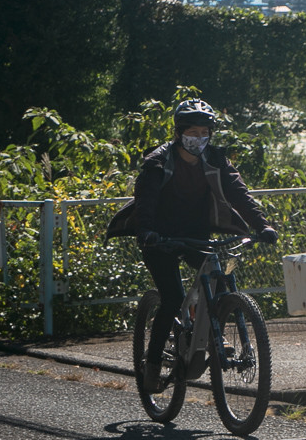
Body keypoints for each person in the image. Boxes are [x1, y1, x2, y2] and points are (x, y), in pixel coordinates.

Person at [107, 98, 277, 392]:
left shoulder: (216, 159)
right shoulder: (158, 161)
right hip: (159, 236)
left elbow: (240, 194)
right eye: (192, 132)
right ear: (179, 132)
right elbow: (145, 203)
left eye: (204, 132)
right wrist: (146, 231)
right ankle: (154, 363)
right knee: (172, 297)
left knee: (219, 279)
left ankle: (213, 331)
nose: (198, 138)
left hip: (196, 233)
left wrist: (262, 225)